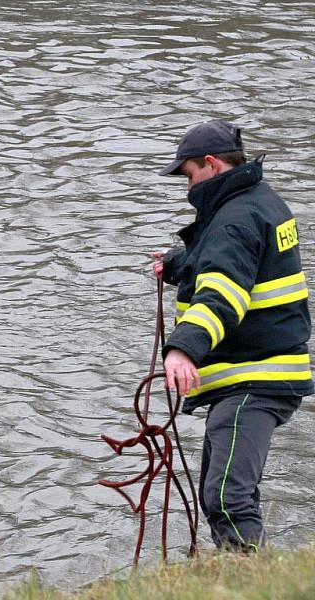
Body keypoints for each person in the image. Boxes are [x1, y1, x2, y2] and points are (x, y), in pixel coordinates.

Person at [151, 120, 313, 551]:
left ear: (210, 163)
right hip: (260, 373)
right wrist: (180, 265)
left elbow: (223, 295)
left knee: (226, 495)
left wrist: (183, 349)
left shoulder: (235, 218)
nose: (187, 187)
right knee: (219, 489)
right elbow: (240, 264)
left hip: (255, 379)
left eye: (188, 175)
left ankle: (247, 581)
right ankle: (235, 572)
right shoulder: (258, 202)